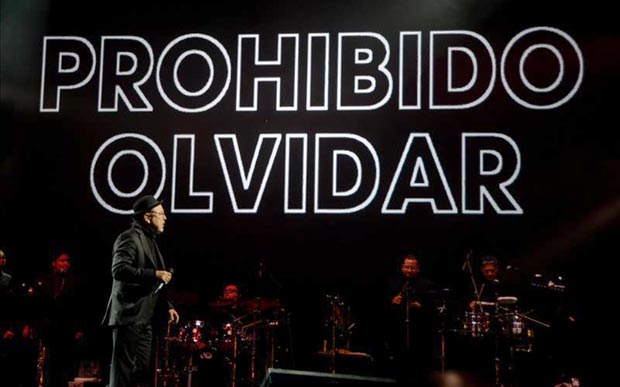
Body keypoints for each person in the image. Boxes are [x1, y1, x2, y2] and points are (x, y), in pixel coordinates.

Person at [102, 195, 180, 387]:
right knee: (123, 371)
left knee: (141, 371)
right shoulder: (129, 237)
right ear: (147, 217)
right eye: (161, 214)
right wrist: (154, 273)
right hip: (129, 314)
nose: (165, 218)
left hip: (145, 317)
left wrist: (167, 305)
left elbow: (154, 283)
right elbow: (119, 269)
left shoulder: (150, 240)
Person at [386, 254, 438, 383]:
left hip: (419, 329)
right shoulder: (393, 282)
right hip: (397, 328)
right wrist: (392, 300)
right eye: (407, 267)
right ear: (402, 267)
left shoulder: (426, 284)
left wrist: (420, 306)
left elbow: (433, 306)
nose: (409, 270)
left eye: (412, 268)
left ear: (418, 269)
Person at [36, 252, 84, 387]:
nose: (66, 264)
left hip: (67, 331)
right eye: (62, 261)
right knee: (49, 368)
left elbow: (80, 307)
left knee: (66, 369)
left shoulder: (74, 282)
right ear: (54, 263)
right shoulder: (45, 281)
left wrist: (79, 328)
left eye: (67, 261)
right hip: (49, 331)